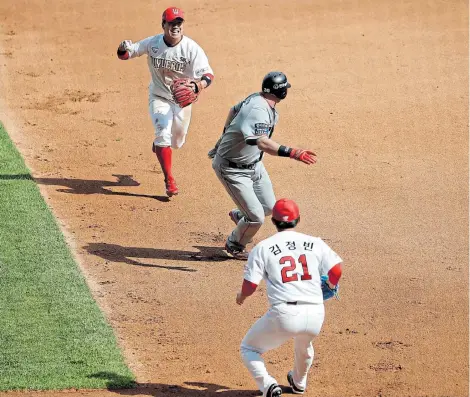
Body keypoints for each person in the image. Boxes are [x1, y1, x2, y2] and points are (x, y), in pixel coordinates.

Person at [235, 198, 343, 397]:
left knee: (249, 348)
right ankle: (299, 383)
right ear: (298, 219)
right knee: (304, 345)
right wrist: (329, 285)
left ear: (274, 221)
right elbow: (336, 270)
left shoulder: (263, 247)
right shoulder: (315, 243)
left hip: (284, 314)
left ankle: (268, 385)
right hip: (316, 312)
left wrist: (241, 296)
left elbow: (250, 286)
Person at [208, 72, 316, 260]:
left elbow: (233, 111)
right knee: (256, 218)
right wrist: (293, 153)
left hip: (254, 166)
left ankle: (241, 216)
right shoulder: (258, 110)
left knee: (267, 207)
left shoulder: (257, 99)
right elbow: (262, 143)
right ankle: (234, 244)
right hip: (232, 170)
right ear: (282, 92)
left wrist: (223, 138)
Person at [117, 7, 214, 197]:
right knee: (163, 134)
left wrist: (198, 86)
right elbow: (127, 54)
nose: (175, 27)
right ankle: (169, 180)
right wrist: (122, 48)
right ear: (164, 25)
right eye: (171, 23)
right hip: (159, 97)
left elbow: (208, 74)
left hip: (182, 102)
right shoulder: (153, 43)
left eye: (179, 23)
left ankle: (160, 147)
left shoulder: (192, 48)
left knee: (177, 142)